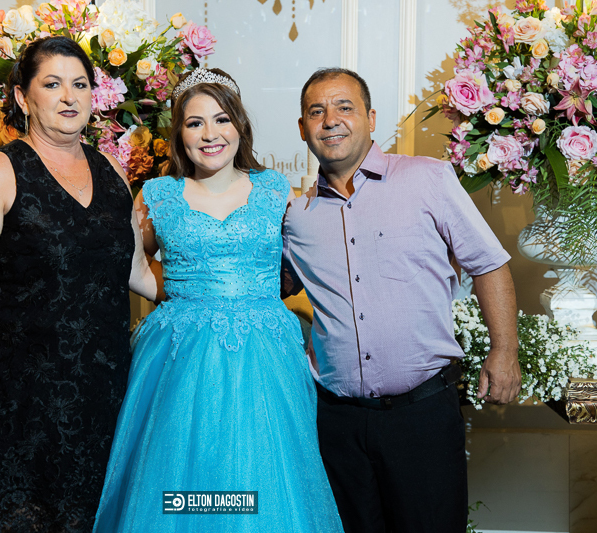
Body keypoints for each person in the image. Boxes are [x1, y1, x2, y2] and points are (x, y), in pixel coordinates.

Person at [92, 68, 344, 533]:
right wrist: (186, 296)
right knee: (179, 476)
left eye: (222, 119)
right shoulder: (158, 195)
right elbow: (131, 267)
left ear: (239, 126)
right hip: (180, 356)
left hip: (266, 356)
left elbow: (312, 262)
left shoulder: (275, 190)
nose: (210, 134)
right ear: (179, 133)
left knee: (264, 472)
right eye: (195, 123)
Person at [281, 67, 522, 533]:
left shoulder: (427, 178)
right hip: (336, 422)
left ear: (371, 118)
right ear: (303, 128)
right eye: (317, 111)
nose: (331, 120)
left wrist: (504, 350)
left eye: (345, 107)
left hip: (422, 417)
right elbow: (269, 285)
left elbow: (488, 263)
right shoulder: (296, 216)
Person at [0, 36, 156, 532]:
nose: (69, 97)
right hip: (26, 402)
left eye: (79, 85)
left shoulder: (111, 171)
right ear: (23, 97)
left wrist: (220, 282)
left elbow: (136, 273)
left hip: (106, 396)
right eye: (52, 84)